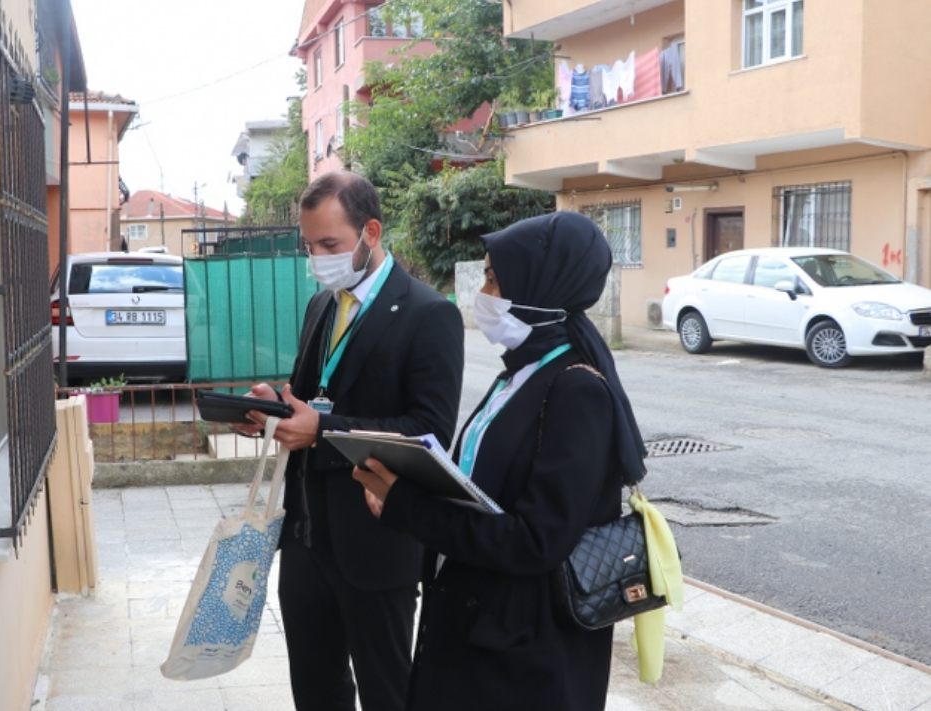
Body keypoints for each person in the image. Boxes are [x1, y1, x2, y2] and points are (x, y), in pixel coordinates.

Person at [352, 211, 648, 711]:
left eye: (494, 278)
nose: (483, 292)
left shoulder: (576, 390)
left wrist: (407, 505)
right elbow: (481, 490)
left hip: (522, 656)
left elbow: (535, 542)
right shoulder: (520, 374)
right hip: (476, 628)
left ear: (540, 285)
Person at [239, 172, 465, 711]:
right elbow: (316, 397)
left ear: (371, 231)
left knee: (388, 693)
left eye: (330, 244)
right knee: (316, 692)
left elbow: (429, 431)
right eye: (310, 246)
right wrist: (275, 408)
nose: (318, 257)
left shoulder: (429, 314)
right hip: (306, 539)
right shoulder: (323, 305)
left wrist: (325, 430)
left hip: (376, 544)